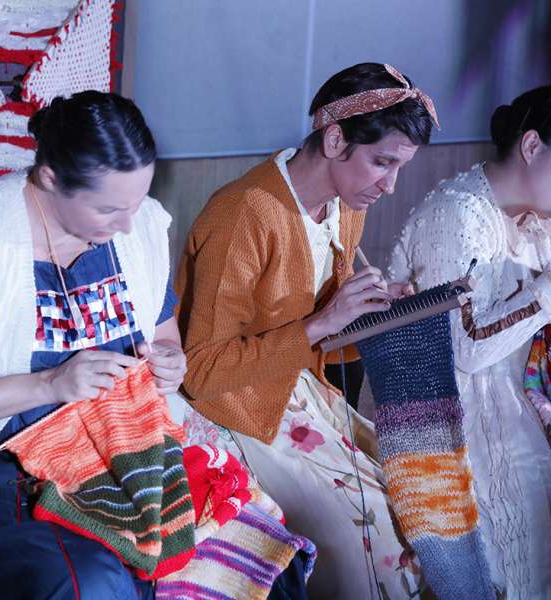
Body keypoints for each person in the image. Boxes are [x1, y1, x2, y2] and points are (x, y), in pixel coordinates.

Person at [176, 62, 437, 599]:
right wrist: (325, 320)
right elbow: (201, 372)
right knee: (370, 549)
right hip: (233, 408)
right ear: (335, 137)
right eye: (382, 162)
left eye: (399, 168)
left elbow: (325, 333)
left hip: (301, 392)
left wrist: (376, 311)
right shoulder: (244, 213)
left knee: (420, 508)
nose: (389, 185)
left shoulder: (343, 207)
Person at [387, 85, 551, 599]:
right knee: (544, 527)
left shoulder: (548, 227)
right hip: (444, 411)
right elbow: (463, 351)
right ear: (531, 146)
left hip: (523, 404)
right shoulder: (458, 215)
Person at [0, 91, 186, 598]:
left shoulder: (140, 226)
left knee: (255, 549)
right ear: (50, 179)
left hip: (127, 458)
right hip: (1, 480)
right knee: (93, 581)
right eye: (109, 208)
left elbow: (164, 331)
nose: (129, 225)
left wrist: (172, 362)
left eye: (136, 203)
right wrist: (51, 383)